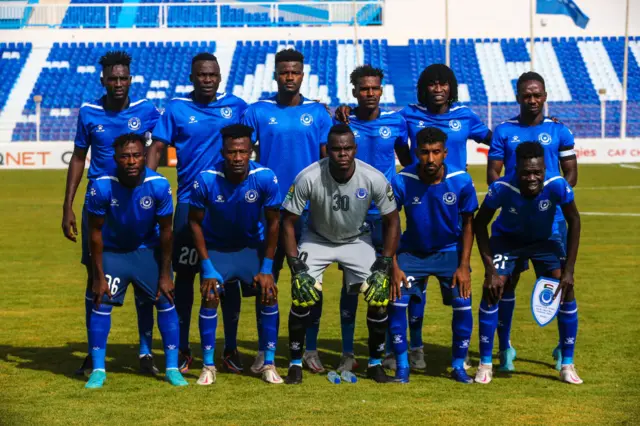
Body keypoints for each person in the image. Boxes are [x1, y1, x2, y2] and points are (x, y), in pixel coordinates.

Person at [337, 63, 490, 370]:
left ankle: (413, 348)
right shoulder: (401, 116)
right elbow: (405, 158)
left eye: (443, 83)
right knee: (358, 285)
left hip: (445, 209)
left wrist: (531, 131)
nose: (438, 88)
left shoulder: (462, 116)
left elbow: (497, 141)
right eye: (431, 83)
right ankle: (353, 352)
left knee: (408, 285)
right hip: (360, 212)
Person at [61, 51, 161, 376]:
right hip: (100, 209)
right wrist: (67, 206)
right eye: (112, 78)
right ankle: (95, 352)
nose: (118, 83)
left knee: (146, 282)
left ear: (130, 79)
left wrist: (149, 182)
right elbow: (78, 157)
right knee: (96, 279)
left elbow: (158, 146)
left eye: (123, 78)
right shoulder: (89, 112)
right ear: (102, 80)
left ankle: (146, 353)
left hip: (139, 210)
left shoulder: (146, 110)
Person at [148, 52, 248, 374]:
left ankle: (230, 348)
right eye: (201, 74)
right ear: (192, 77)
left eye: (213, 75)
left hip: (230, 205)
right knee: (186, 278)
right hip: (191, 204)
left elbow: (250, 148)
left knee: (228, 280)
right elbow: (157, 148)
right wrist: (145, 186)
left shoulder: (237, 107)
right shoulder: (177, 109)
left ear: (220, 78)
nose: (207, 79)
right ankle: (183, 349)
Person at [280, 124, 401, 384]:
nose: (342, 154)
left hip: (356, 239)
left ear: (355, 149)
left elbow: (392, 220)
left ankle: (375, 364)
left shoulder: (373, 177)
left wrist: (385, 262)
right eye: (336, 149)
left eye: (347, 148)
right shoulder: (308, 176)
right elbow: (288, 222)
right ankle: (294, 364)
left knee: (378, 294)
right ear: (327, 150)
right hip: (316, 239)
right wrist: (295, 265)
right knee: (302, 294)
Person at [241, 48, 332, 374]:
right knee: (266, 280)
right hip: (268, 212)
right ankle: (264, 352)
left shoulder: (318, 114)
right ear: (276, 75)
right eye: (284, 72)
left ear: (302, 74)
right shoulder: (258, 112)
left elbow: (329, 161)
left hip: (307, 212)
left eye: (295, 71)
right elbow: (240, 154)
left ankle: (309, 349)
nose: (289, 77)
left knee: (309, 283)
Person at [487, 71, 578, 372]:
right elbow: (493, 173)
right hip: (513, 220)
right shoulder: (503, 131)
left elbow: (571, 172)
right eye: (527, 95)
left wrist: (553, 196)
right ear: (518, 97)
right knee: (505, 283)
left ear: (545, 96)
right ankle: (506, 347)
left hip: (549, 222)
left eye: (537, 94)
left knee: (560, 283)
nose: (532, 99)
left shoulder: (559, 131)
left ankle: (564, 350)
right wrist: (511, 198)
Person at [473, 141, 582, 385]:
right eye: (526, 173)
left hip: (545, 241)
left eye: (537, 172)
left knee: (565, 287)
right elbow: (480, 224)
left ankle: (567, 363)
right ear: (516, 169)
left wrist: (569, 270)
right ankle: (485, 364)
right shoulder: (501, 188)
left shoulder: (556, 185)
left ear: (545, 168)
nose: (532, 178)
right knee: (494, 288)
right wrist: (490, 270)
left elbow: (574, 220)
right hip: (508, 240)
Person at [84, 133, 186, 389]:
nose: (131, 161)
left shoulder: (159, 185)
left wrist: (165, 274)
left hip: (147, 252)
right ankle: (98, 369)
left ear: (145, 156)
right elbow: (94, 233)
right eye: (125, 156)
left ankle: (172, 368)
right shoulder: (101, 185)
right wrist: (97, 277)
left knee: (166, 301)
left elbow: (166, 233)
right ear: (115, 158)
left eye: (137, 155)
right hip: (114, 253)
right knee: (101, 303)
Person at [330, 65, 412, 373]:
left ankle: (386, 350)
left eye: (374, 88)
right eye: (363, 89)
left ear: (381, 90)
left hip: (386, 217)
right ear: (354, 92)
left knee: (390, 281)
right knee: (352, 286)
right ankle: (348, 352)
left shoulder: (397, 123)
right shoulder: (344, 123)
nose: (369, 93)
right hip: (353, 218)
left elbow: (408, 161)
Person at [188, 124, 283, 385]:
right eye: (232, 152)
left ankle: (269, 363)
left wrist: (267, 268)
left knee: (269, 292)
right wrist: (206, 266)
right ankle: (208, 365)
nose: (238, 158)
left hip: (250, 249)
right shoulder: (206, 179)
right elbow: (194, 222)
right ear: (223, 152)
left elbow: (274, 222)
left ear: (251, 150)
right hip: (217, 250)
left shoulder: (265, 177)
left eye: (243, 151)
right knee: (209, 295)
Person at [389, 127, 477, 384]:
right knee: (397, 301)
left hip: (449, 252)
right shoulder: (402, 180)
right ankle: (403, 366)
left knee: (462, 303)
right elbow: (391, 224)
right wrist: (393, 264)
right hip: (412, 253)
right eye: (425, 153)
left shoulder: (461, 181)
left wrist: (464, 266)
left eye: (436, 152)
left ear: (445, 153)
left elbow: (469, 224)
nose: (430, 159)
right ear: (416, 152)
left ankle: (458, 365)